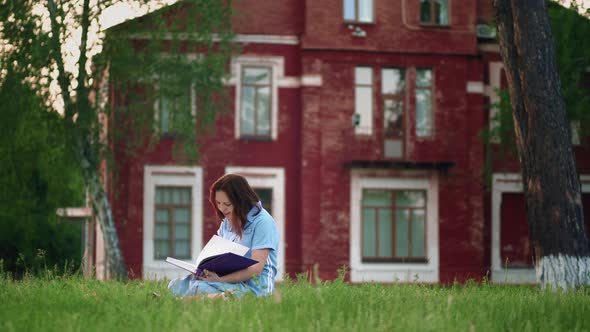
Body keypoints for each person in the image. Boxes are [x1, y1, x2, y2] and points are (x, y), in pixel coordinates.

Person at [168, 173, 279, 298]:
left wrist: (220, 279)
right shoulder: (227, 222)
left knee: (200, 288)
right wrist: (206, 272)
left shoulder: (263, 222)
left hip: (254, 287)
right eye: (218, 203)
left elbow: (256, 269)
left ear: (241, 201)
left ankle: (187, 301)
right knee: (175, 285)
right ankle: (196, 298)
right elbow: (218, 256)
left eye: (227, 204)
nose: (222, 209)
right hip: (226, 279)